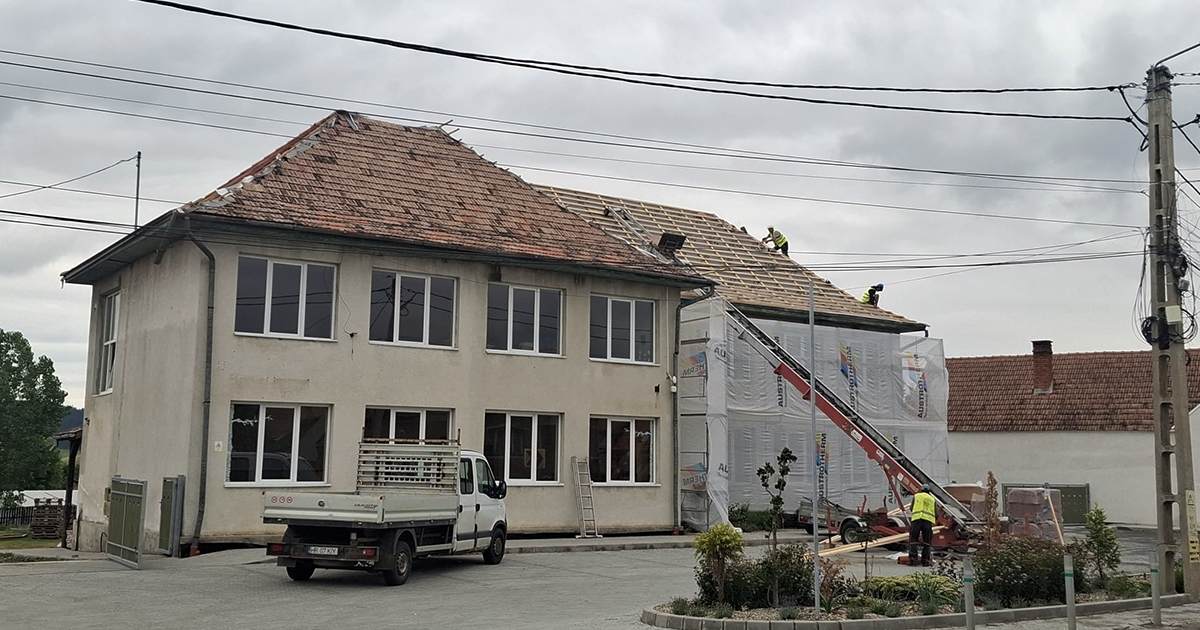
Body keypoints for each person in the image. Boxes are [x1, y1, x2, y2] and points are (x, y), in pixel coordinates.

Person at [908, 484, 937, 567]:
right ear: (929, 491)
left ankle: (913, 560)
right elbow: (936, 512)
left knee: (913, 540)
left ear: (921, 490)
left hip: (916, 520)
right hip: (927, 522)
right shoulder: (932, 499)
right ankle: (925, 561)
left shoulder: (916, 496)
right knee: (927, 542)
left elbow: (911, 508)